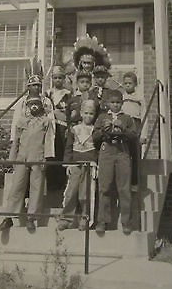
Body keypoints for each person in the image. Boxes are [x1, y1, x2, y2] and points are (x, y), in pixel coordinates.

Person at [0, 95, 55, 232]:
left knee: (37, 186)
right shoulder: (22, 121)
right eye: (31, 104)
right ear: (27, 107)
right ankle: (9, 217)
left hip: (37, 157)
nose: (34, 106)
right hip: (22, 158)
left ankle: (31, 217)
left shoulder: (46, 122)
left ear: (41, 105)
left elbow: (48, 141)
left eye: (36, 104)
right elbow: (16, 141)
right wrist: (13, 158)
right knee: (17, 186)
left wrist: (46, 158)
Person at [93, 89, 137, 235]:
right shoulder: (102, 117)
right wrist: (103, 130)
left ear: (122, 103)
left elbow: (133, 136)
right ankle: (102, 221)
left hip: (122, 152)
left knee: (124, 188)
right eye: (113, 102)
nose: (115, 105)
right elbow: (95, 137)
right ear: (107, 104)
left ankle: (126, 222)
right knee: (104, 187)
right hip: (106, 152)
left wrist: (123, 129)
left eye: (118, 102)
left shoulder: (127, 118)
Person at [57, 100, 98, 231]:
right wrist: (68, 164)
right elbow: (68, 148)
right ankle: (66, 218)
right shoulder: (74, 129)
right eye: (86, 113)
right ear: (81, 113)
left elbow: (97, 149)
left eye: (91, 114)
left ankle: (85, 219)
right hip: (75, 164)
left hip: (89, 165)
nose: (88, 116)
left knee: (85, 194)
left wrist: (96, 164)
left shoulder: (95, 130)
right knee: (71, 191)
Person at [45, 65, 71, 191]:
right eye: (55, 78)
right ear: (52, 78)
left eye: (60, 78)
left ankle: (61, 185)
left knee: (61, 154)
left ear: (64, 78)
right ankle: (51, 185)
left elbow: (69, 113)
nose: (58, 80)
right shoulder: (48, 94)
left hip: (62, 127)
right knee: (50, 154)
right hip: (50, 128)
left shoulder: (68, 95)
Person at [121, 71, 145, 191]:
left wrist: (143, 134)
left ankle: (134, 182)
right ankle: (124, 181)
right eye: (125, 83)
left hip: (136, 125)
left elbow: (144, 116)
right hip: (125, 127)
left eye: (130, 83)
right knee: (124, 154)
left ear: (135, 84)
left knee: (135, 154)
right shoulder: (122, 98)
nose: (127, 85)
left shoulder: (139, 98)